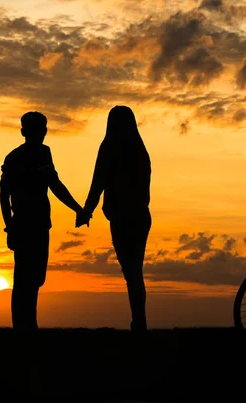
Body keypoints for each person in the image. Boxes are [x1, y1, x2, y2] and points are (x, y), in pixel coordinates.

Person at [0, 111, 87, 333]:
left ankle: (27, 326)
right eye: (38, 129)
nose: (42, 133)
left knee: (33, 278)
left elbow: (53, 184)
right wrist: (9, 225)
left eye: (43, 129)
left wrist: (78, 208)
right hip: (27, 225)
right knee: (24, 280)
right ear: (25, 132)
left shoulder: (39, 153)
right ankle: (24, 328)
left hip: (35, 224)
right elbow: (5, 193)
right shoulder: (19, 157)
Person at [76, 105, 152, 332]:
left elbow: (97, 182)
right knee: (135, 271)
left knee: (132, 272)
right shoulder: (140, 149)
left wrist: (86, 211)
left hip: (122, 217)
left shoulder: (109, 147)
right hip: (141, 216)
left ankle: (139, 321)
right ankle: (139, 320)